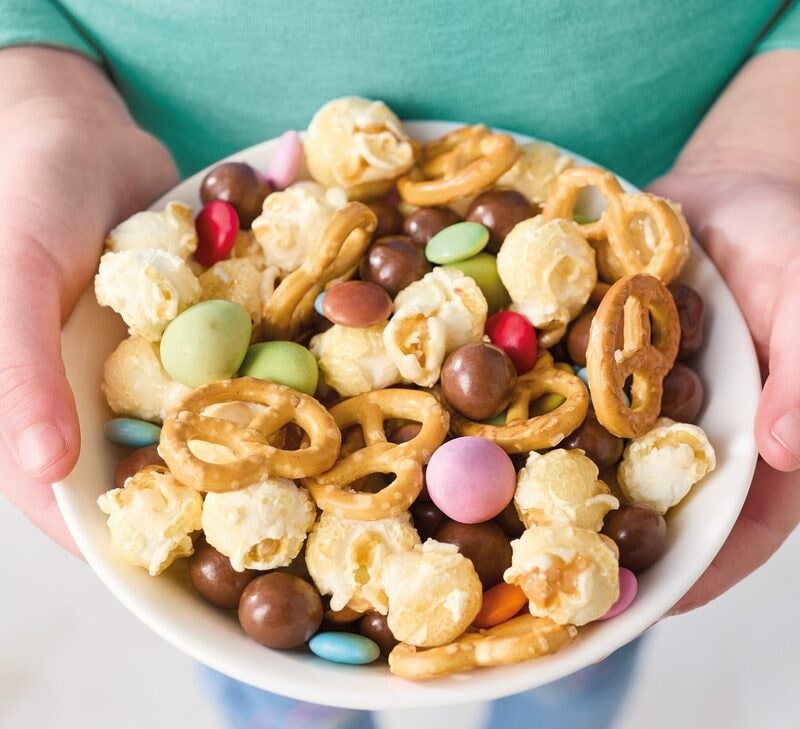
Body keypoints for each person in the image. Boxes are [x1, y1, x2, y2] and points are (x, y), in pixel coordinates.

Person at [1, 2, 798, 727]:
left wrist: (770, 146)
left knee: (575, 658)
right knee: (280, 682)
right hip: (151, 148)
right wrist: (40, 97)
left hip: (679, 161)